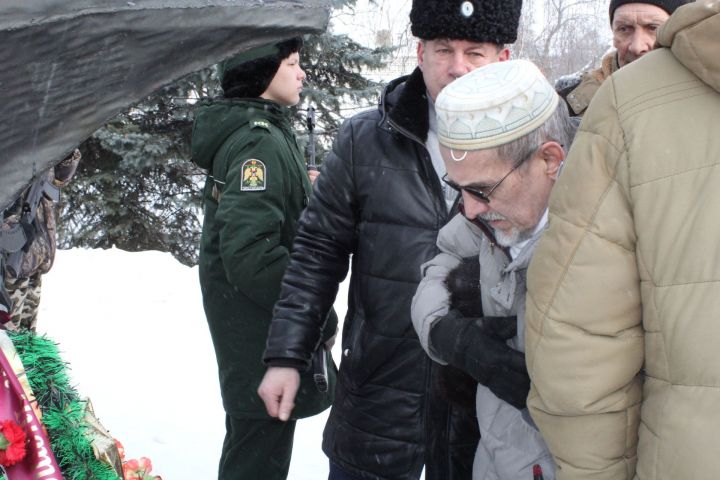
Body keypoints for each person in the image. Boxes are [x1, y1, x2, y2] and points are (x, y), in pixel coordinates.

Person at [257, 1, 522, 478]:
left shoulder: (531, 150)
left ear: (501, 59)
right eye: (443, 49)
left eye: (474, 52)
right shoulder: (366, 139)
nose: (457, 66)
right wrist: (287, 355)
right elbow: (317, 253)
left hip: (486, 411)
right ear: (420, 52)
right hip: (379, 397)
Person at [525, 1, 720, 479]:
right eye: (623, 27)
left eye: (654, 26)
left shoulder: (628, 103)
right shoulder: (576, 104)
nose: (637, 43)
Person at [411, 59, 576, 479]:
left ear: (550, 160)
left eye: (482, 190)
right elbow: (438, 264)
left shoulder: (607, 239)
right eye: (459, 189)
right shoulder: (494, 210)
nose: (468, 209)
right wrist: (450, 336)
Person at [191, 37, 336, 480]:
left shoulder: (262, 132)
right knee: (257, 459)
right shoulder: (260, 142)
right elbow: (250, 254)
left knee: (254, 450)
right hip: (262, 335)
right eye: (292, 63)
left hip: (255, 329)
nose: (302, 73)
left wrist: (301, 189)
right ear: (263, 75)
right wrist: (312, 315)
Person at [558, 0, 690, 117]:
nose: (637, 47)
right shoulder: (569, 106)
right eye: (624, 29)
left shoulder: (705, 95)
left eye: (653, 28)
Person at [1, 148, 80, 331]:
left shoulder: (44, 143)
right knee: (8, 338)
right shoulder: (13, 139)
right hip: (10, 260)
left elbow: (57, 183)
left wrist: (67, 154)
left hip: (35, 254)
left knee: (27, 337)